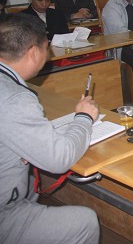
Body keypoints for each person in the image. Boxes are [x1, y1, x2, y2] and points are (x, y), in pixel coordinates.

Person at [0, 13, 100, 244]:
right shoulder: (14, 99)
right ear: (34, 52)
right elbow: (59, 159)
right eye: (47, 48)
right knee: (84, 222)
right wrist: (84, 117)